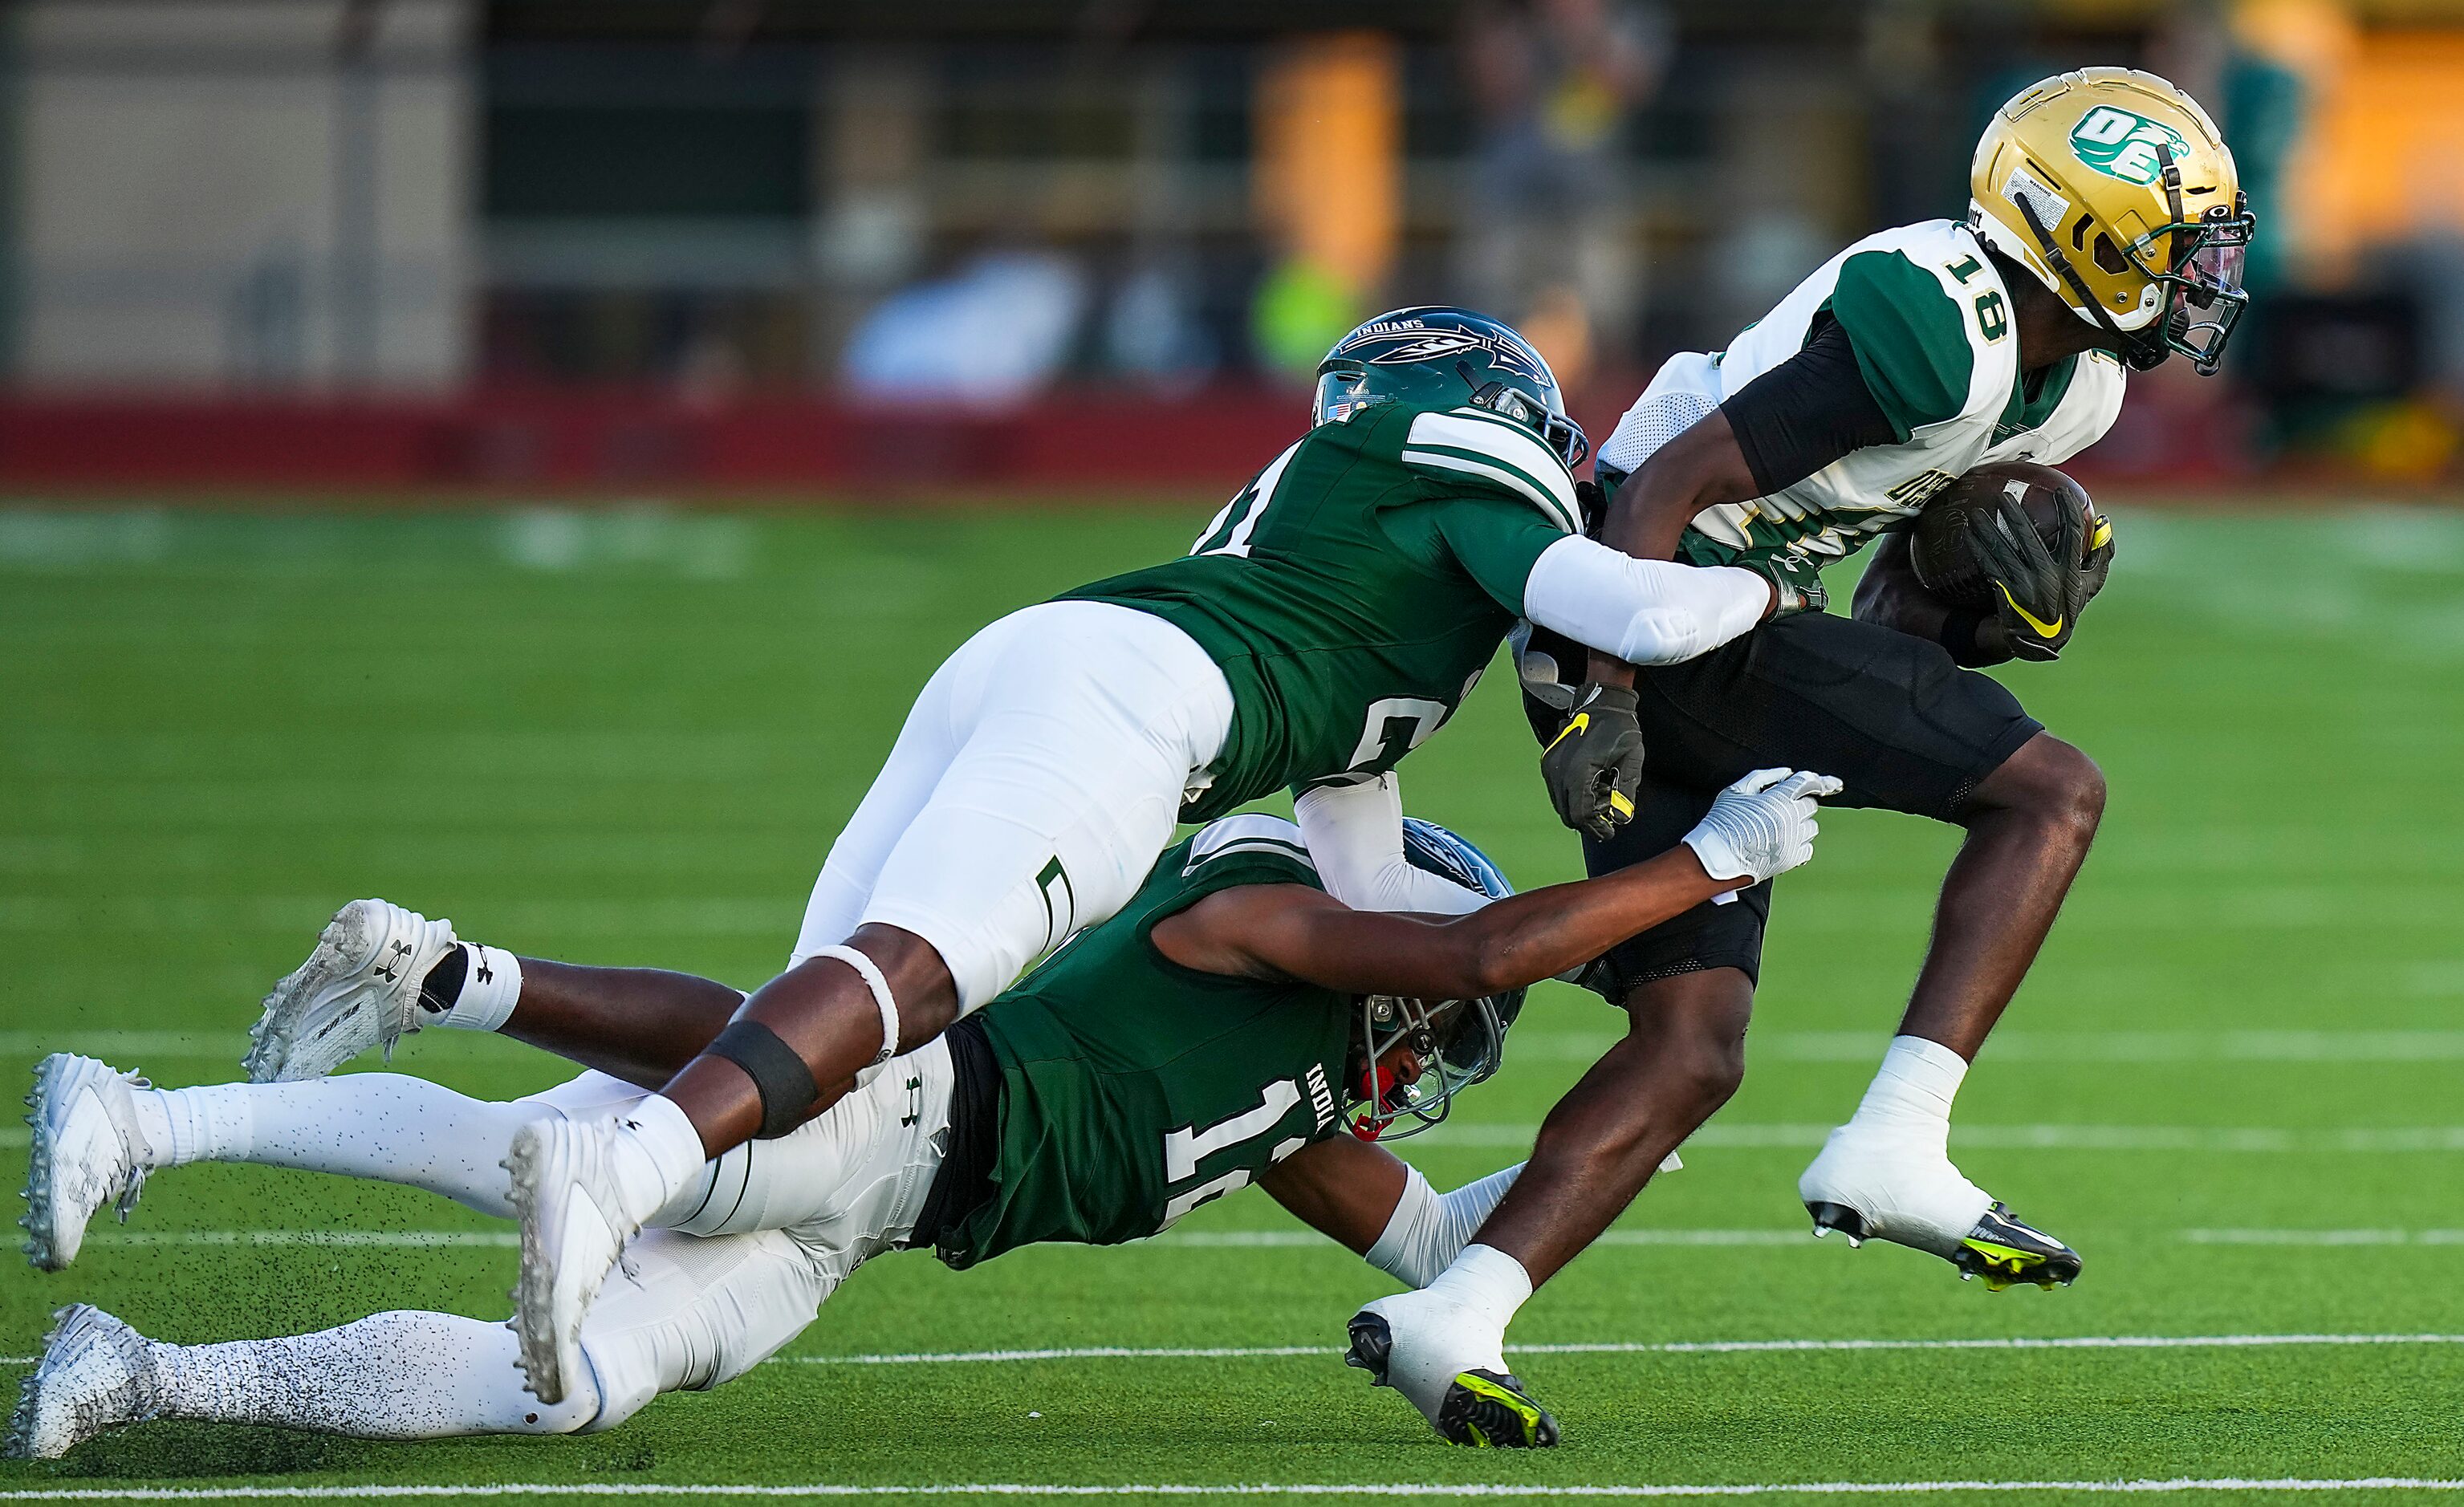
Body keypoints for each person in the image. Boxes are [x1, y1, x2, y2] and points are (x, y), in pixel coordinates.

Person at [409, 307, 1782, 1405]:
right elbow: (1628, 611)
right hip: (1134, 712)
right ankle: (627, 1162)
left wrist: (1553, 1129)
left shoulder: (1364, 569)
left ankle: (312, 1096)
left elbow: (1381, 897)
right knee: (907, 984)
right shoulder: (1464, 474)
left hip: (1063, 666)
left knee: (820, 1017)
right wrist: (1770, 594)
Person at [1349, 68, 2256, 1438]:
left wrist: (1974, 605)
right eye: (2178, 245)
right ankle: (1898, 1136)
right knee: (2052, 792)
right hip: (1648, 596)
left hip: (1718, 617)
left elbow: (1890, 617)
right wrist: (1605, 695)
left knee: (1692, 1044)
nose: (2201, 276)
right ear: (2079, 230)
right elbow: (1665, 486)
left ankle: (1453, 1312)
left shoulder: (2074, 395)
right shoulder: (1936, 320)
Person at [10, 786, 1832, 1460]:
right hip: (894, 1103)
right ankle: (146, 1118)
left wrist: (1639, 1117)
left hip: (859, 1231)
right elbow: (1490, 939)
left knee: (562, 1385)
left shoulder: (1296, 1113)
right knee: (543, 1157)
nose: (1446, 1031)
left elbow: (1449, 1243)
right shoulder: (1244, 923)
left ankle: (142, 1373)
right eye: (1447, 1009)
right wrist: (1703, 869)